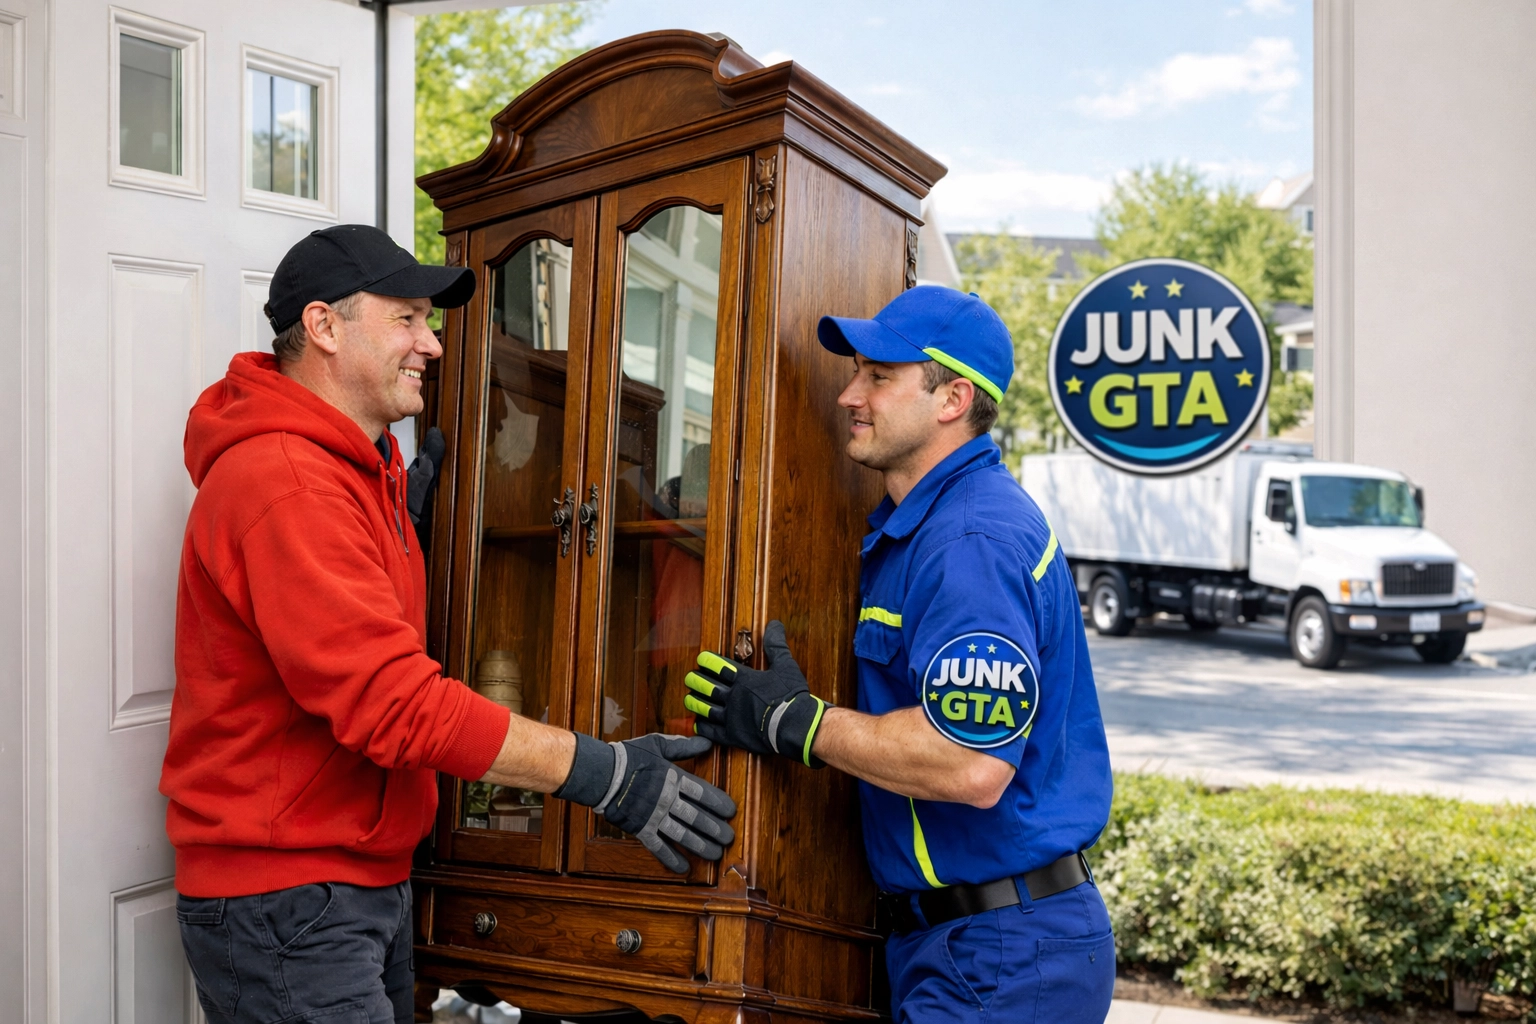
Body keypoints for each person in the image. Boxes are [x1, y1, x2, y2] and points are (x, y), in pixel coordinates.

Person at [161, 224, 735, 1024]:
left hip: (355, 883)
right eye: (406, 319)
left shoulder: (359, 470)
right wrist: (604, 774)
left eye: (428, 322)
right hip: (288, 899)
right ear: (324, 326)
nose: (430, 345)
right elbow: (392, 703)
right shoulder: (286, 481)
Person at [684, 285, 1115, 1023]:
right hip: (954, 942)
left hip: (1003, 956)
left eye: (880, 376)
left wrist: (798, 722)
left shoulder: (970, 541)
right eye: (857, 371)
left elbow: (970, 764)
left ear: (952, 398)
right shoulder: (914, 527)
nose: (851, 393)